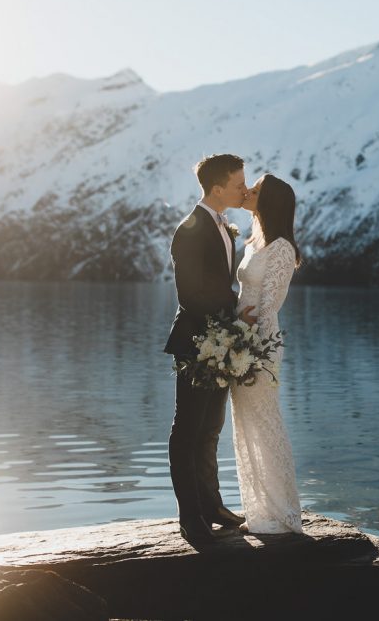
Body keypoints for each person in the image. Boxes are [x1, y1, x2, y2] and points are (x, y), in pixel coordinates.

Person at [164, 153, 255, 544]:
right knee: (187, 430)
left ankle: (212, 505)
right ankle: (190, 517)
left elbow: (219, 286)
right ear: (217, 188)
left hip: (221, 341)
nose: (244, 190)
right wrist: (227, 323)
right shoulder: (189, 230)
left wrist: (234, 321)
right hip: (196, 343)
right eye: (238, 184)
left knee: (211, 428)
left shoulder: (223, 226)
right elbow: (190, 295)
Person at [230, 173, 304, 534]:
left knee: (266, 422)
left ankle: (283, 513)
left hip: (260, 343)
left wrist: (253, 345)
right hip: (240, 339)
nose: (247, 191)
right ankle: (259, 511)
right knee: (247, 424)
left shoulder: (282, 248)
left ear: (269, 202)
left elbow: (269, 304)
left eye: (256, 190)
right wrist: (233, 330)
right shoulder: (254, 242)